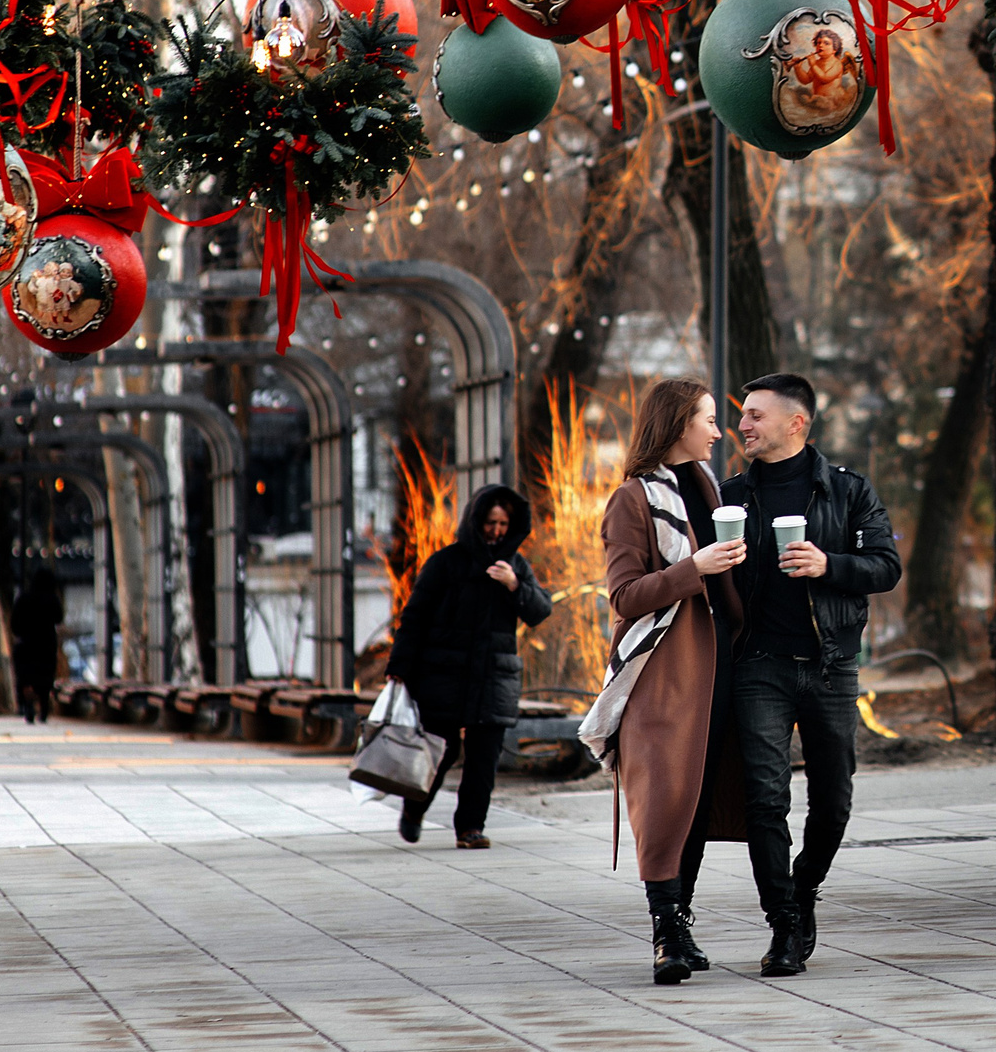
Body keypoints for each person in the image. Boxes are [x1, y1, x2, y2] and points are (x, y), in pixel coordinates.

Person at [721, 372, 901, 978]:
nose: (742, 425)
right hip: (758, 666)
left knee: (833, 801)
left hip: (830, 665)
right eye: (742, 416)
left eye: (754, 415)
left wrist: (829, 564)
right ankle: (783, 927)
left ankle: (803, 890)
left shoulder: (847, 491)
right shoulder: (731, 496)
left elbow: (886, 566)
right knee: (765, 801)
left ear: (796, 423)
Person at [584, 379, 749, 986]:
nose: (716, 429)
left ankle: (680, 922)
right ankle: (665, 938)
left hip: (719, 663)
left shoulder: (710, 489)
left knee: (698, 799)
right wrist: (693, 569)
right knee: (662, 802)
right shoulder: (631, 499)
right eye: (707, 418)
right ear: (678, 423)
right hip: (664, 669)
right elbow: (624, 595)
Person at [384, 484, 553, 849]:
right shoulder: (446, 562)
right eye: (490, 522)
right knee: (439, 752)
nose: (497, 530)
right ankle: (415, 808)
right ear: (475, 521)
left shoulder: (516, 566)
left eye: (504, 523)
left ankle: (470, 828)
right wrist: (400, 666)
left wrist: (515, 585)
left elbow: (540, 610)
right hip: (444, 675)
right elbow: (414, 617)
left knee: (484, 758)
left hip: (493, 678)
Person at [9, 570, 62, 725]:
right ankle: (44, 709)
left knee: (26, 678)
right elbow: (59, 618)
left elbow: (14, 623)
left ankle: (27, 705)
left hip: (26, 644)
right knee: (44, 678)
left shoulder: (23, 599)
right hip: (46, 644)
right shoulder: (53, 599)